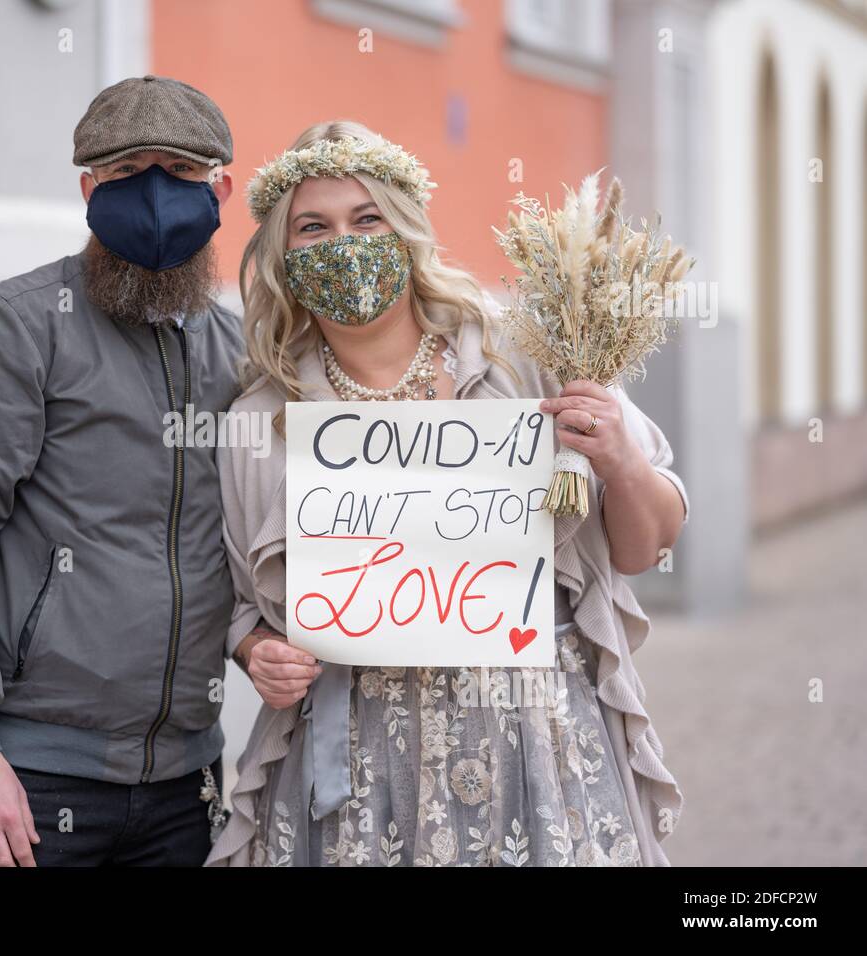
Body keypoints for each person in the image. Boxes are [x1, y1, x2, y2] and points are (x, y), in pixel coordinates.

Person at [206, 121, 689, 867]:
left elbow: (646, 546)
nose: (346, 241)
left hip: (532, 742)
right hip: (360, 764)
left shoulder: (528, 359)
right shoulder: (260, 424)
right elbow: (246, 603)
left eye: (367, 217)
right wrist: (256, 651)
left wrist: (621, 458)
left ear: (405, 227)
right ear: (282, 254)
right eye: (314, 226)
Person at [0, 76, 244, 867]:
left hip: (187, 787)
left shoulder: (241, 356)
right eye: (126, 174)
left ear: (220, 189)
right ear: (89, 188)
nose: (154, 195)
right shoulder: (13, 331)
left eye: (180, 173)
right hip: (27, 782)